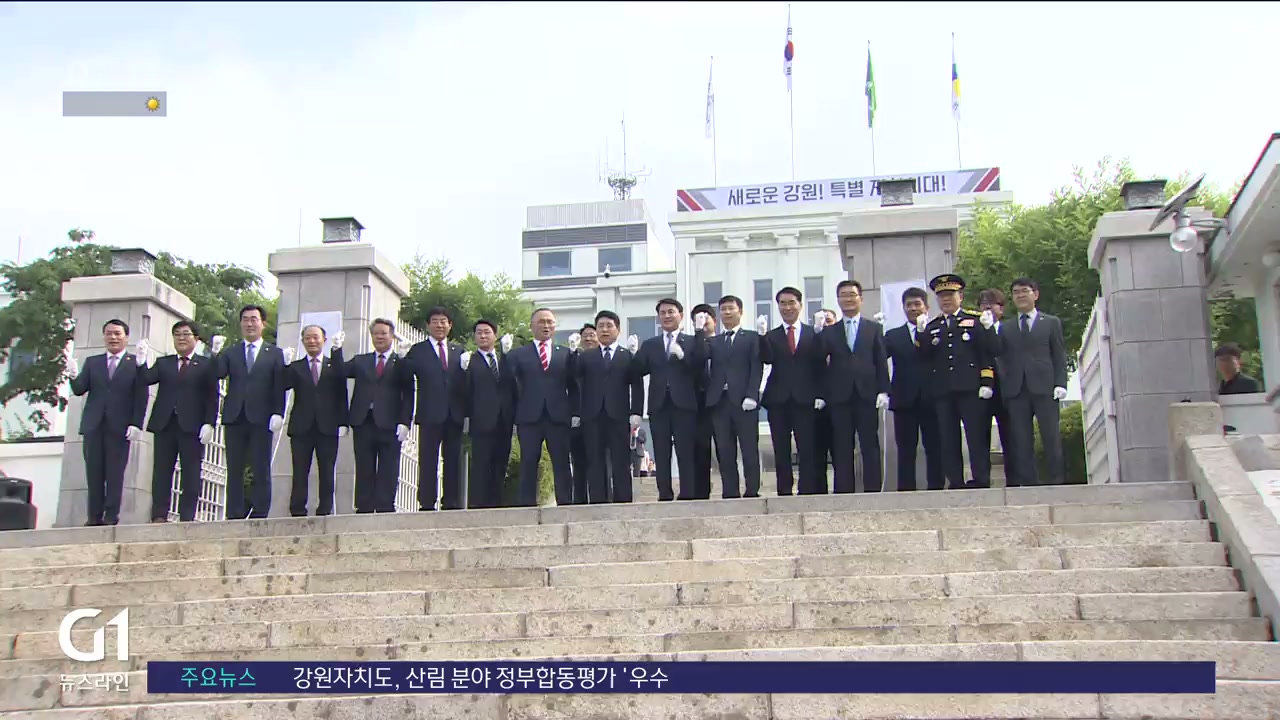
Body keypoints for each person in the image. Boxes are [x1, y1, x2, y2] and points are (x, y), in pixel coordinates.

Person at [915, 274, 999, 489]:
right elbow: (924, 357)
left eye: (950, 295)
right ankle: (955, 480)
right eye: (941, 296)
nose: (946, 299)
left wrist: (987, 382)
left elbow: (988, 352)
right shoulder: (933, 326)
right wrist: (921, 334)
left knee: (976, 435)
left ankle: (981, 478)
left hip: (970, 388)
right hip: (943, 390)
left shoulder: (974, 320)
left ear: (960, 296)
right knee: (948, 437)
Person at [67, 319, 149, 526]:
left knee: (115, 473)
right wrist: (73, 375)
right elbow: (79, 389)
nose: (113, 337)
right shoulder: (93, 362)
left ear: (126, 337)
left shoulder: (135, 363)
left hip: (120, 427)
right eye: (109, 333)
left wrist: (136, 423)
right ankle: (93, 517)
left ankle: (111, 516)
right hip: (94, 425)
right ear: (104, 336)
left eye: (117, 333)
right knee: (94, 473)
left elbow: (142, 395)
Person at [211, 305, 287, 519]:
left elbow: (279, 385)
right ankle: (234, 513)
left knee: (260, 466)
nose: (249, 324)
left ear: (263, 324)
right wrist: (215, 354)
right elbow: (217, 373)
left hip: (262, 417)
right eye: (245, 319)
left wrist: (278, 412)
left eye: (254, 319)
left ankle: (260, 511)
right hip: (235, 416)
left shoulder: (275, 353)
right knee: (234, 467)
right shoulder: (231, 352)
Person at [631, 298, 710, 501]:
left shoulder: (691, 341)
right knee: (661, 451)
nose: (666, 316)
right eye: (662, 313)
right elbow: (637, 371)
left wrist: (684, 356)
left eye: (671, 312)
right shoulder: (651, 344)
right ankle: (664, 493)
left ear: (680, 316)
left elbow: (699, 368)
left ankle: (688, 492)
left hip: (685, 404)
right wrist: (634, 353)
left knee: (686, 451)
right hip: (659, 405)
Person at [994, 278, 1069, 486]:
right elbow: (1000, 356)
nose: (1020, 295)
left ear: (1035, 294)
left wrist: (1061, 383)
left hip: (1045, 387)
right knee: (1021, 439)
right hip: (1017, 390)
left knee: (1050, 436)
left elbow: (1058, 355)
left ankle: (1056, 480)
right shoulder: (1006, 327)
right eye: (1016, 292)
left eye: (1024, 291)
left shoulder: (1051, 322)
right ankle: (1029, 483)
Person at [142, 321, 219, 522]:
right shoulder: (164, 363)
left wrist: (209, 423)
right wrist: (141, 362)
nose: (181, 338)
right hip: (165, 424)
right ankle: (159, 515)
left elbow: (212, 395)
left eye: (186, 334)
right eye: (177, 334)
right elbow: (146, 379)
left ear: (196, 338)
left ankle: (187, 517)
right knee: (161, 472)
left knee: (191, 473)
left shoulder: (205, 364)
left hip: (192, 426)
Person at [818, 280, 890, 493]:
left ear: (860, 298)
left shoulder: (873, 328)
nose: (848, 299)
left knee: (869, 445)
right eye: (843, 295)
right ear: (838, 300)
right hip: (839, 396)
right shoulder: (830, 331)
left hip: (867, 394)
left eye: (852, 294)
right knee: (842, 446)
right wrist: (818, 333)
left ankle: (873, 490)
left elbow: (880, 361)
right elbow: (818, 362)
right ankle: (844, 491)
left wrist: (884, 390)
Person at [758, 287, 826, 495]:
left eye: (791, 303)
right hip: (778, 399)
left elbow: (820, 363)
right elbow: (767, 358)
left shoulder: (812, 333)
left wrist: (820, 394)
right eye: (782, 303)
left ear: (800, 305)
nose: (787, 308)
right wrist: (762, 337)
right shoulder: (771, 335)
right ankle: (784, 489)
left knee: (807, 447)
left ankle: (807, 489)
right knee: (781, 448)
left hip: (805, 399)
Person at [508, 308, 578, 506]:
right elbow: (510, 385)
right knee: (529, 461)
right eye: (541, 322)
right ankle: (526, 504)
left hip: (558, 415)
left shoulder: (566, 353)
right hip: (529, 416)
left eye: (550, 322)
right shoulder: (518, 354)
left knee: (561, 461)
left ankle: (565, 501)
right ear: (532, 326)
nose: (546, 326)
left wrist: (574, 412)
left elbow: (574, 385)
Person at [345, 318, 414, 513]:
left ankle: (385, 506)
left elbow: (409, 392)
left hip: (390, 423)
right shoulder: (361, 360)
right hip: (363, 421)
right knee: (364, 466)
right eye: (376, 333)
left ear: (392, 336)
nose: (380, 337)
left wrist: (405, 422)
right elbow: (339, 371)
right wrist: (335, 350)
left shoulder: (400, 362)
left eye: (384, 333)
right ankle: (364, 507)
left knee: (389, 467)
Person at [574, 311, 642, 503]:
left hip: (619, 415)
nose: (604, 330)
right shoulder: (586, 357)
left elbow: (637, 385)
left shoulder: (627, 356)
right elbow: (574, 381)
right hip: (592, 415)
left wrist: (636, 411)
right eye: (601, 326)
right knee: (594, 460)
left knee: (621, 460)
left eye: (609, 326)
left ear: (618, 330)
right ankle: (598, 500)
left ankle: (623, 500)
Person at [405, 307, 467, 511]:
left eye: (443, 321)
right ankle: (426, 502)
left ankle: (451, 501)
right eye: (435, 321)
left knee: (453, 460)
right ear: (428, 325)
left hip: (454, 414)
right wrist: (402, 361)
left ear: (450, 325)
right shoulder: (418, 350)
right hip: (430, 414)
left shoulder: (459, 351)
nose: (439, 325)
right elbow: (404, 378)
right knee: (428, 460)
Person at [282, 325, 348, 517]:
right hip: (301, 427)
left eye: (315, 337)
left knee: (327, 470)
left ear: (324, 340)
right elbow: (283, 384)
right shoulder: (296, 367)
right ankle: (297, 509)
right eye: (308, 338)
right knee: (300, 470)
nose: (312, 341)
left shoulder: (333, 366)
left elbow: (341, 393)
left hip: (328, 426)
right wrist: (285, 365)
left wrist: (343, 422)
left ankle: (325, 508)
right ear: (302, 341)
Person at [884, 287, 943, 491]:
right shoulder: (893, 335)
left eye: (917, 304)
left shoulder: (936, 330)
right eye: (909, 305)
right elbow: (878, 359)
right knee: (905, 448)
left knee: (934, 446)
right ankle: (906, 489)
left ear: (926, 307)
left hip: (932, 398)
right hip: (903, 398)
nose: (913, 308)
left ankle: (936, 486)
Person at [706, 294, 764, 498]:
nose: (727, 312)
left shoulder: (751, 337)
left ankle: (752, 489)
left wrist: (752, 395)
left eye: (731, 308)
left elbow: (756, 367)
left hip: (744, 402)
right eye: (723, 309)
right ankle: (730, 491)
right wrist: (699, 331)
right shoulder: (714, 341)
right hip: (719, 402)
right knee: (724, 450)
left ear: (740, 311)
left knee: (749, 448)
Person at [462, 320, 515, 509]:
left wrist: (507, 355)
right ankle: (478, 505)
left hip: (504, 420)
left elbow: (512, 386)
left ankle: (496, 504)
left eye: (487, 332)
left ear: (495, 335)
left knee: (500, 464)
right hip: (481, 421)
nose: (483, 336)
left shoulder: (504, 359)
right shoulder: (470, 360)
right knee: (481, 465)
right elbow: (464, 391)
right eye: (479, 333)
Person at [977, 288, 1019, 485]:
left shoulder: (1010, 329)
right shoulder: (975, 329)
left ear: (1001, 309)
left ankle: (1014, 480)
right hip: (981, 390)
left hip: (1006, 389)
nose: (986, 308)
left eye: (991, 304)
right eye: (983, 304)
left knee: (1010, 436)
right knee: (980, 437)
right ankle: (983, 479)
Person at [690, 303, 718, 500]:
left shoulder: (723, 342)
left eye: (706, 317)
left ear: (714, 320)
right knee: (700, 448)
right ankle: (701, 492)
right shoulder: (690, 344)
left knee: (725, 448)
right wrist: (699, 335)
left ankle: (731, 490)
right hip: (698, 402)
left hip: (721, 399)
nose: (703, 322)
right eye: (698, 319)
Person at [569, 323, 600, 504]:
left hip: (600, 419)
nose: (589, 339)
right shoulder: (575, 359)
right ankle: (579, 500)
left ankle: (601, 498)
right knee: (579, 461)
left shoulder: (605, 358)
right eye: (585, 336)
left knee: (600, 461)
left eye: (592, 335)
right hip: (577, 418)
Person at [813, 309, 839, 486]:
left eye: (829, 321)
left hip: (839, 404)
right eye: (823, 322)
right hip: (817, 407)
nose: (826, 326)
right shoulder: (813, 342)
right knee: (817, 451)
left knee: (840, 451)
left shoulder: (841, 342)